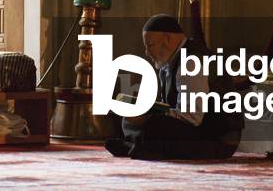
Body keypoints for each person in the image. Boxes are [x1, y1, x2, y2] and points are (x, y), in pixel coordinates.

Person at [104, 14, 243, 160]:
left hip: (217, 139)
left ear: (168, 40)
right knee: (127, 117)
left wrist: (149, 115)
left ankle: (134, 146)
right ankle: (137, 147)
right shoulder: (168, 64)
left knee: (154, 125)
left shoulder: (190, 62)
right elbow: (170, 107)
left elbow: (192, 117)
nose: (147, 52)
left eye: (150, 45)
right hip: (196, 130)